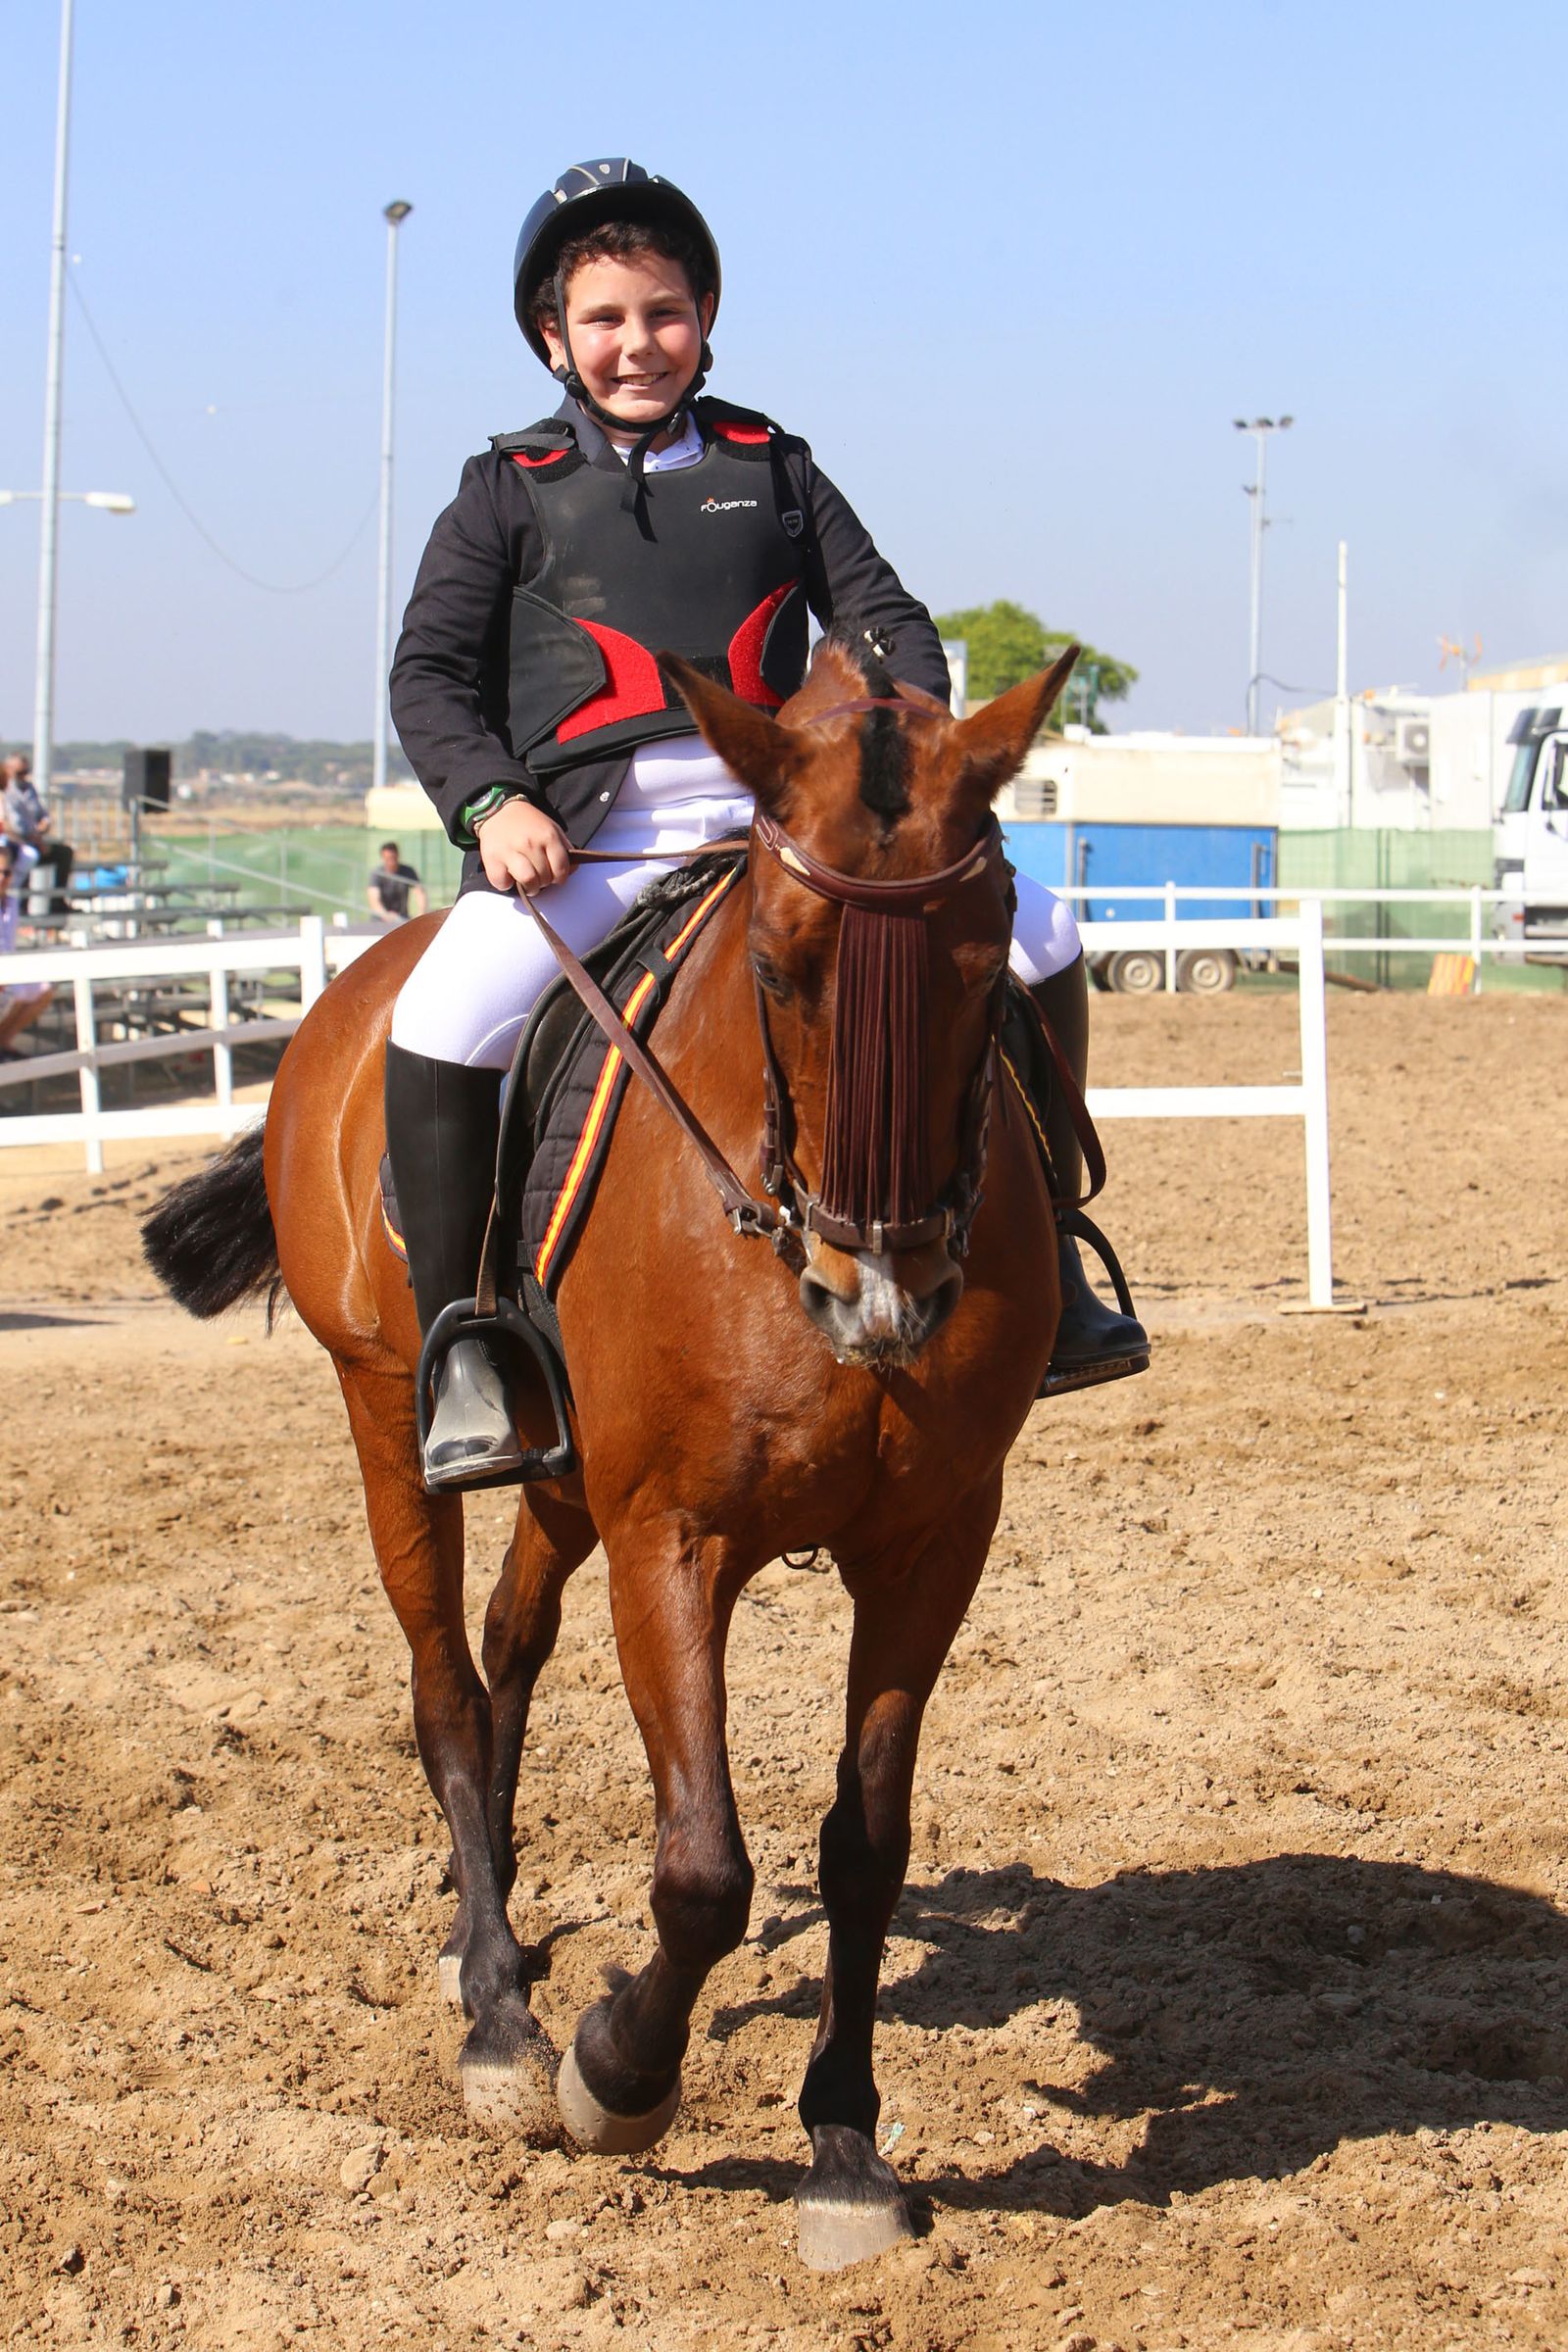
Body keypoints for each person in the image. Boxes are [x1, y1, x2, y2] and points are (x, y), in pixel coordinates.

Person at [388, 158, 1147, 1487]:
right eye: (608, 320)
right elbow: (431, 676)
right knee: (442, 1016)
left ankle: (1065, 1260)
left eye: (664, 314)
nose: (638, 344)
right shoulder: (503, 486)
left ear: (707, 312)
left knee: (1041, 931)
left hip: (786, 821)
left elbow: (886, 617)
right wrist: (492, 801)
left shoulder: (773, 466)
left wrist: (903, 743)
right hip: (585, 839)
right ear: (553, 337)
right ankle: (470, 1340)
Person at [0, 839, 56, 1056]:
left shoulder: (11, 903)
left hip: (9, 970)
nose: (3, 877)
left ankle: (3, 1041)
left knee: (42, 988)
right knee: (14, 992)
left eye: (6, 872)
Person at [2, 754, 74, 918]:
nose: (24, 775)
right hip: (13, 845)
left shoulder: (29, 788)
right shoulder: (6, 791)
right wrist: (35, 835)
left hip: (34, 842)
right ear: (8, 770)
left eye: (26, 771)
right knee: (27, 856)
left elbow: (43, 815)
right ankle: (19, 909)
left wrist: (43, 826)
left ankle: (57, 901)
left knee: (64, 853)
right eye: (20, 772)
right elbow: (16, 825)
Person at [367, 841, 426, 923]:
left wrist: (421, 914)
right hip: (380, 920)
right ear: (383, 857)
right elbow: (374, 900)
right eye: (388, 858)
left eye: (393, 857)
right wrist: (386, 915)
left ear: (398, 855)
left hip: (402, 919)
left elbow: (420, 893)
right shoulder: (377, 874)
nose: (391, 861)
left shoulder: (408, 871)